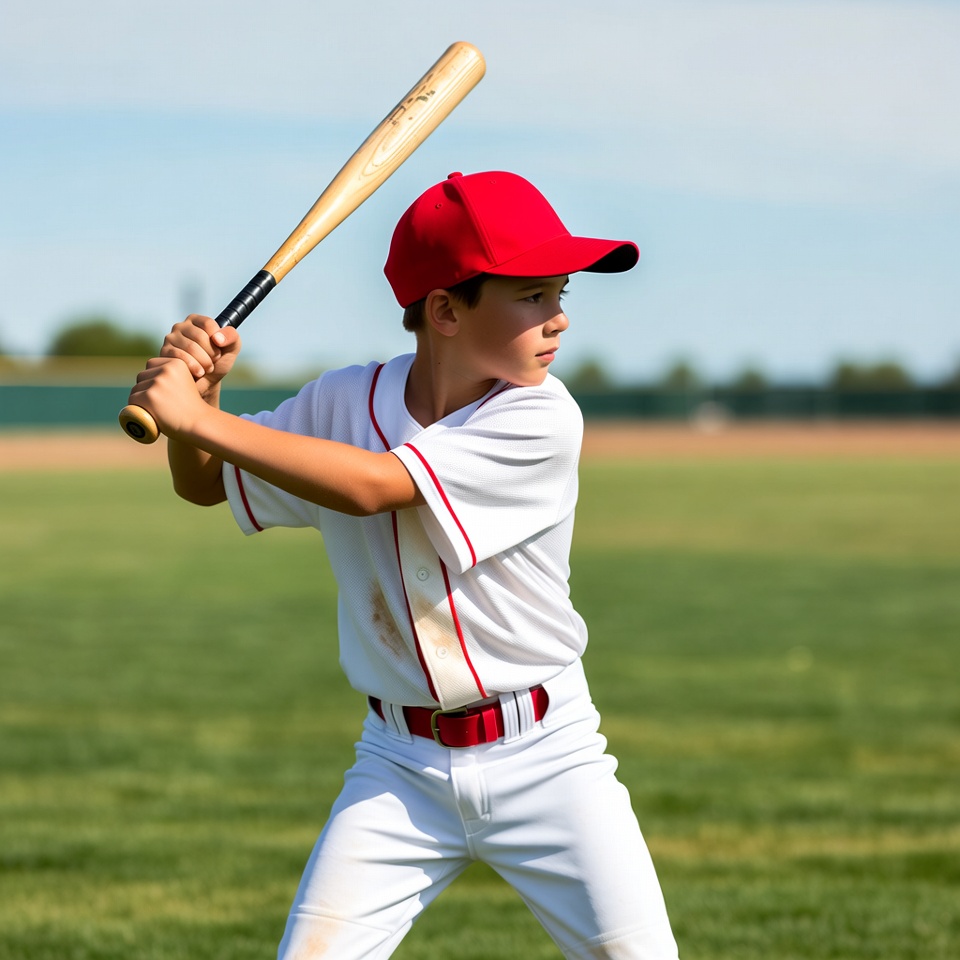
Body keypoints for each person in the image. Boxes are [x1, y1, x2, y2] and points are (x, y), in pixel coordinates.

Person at [128, 170, 680, 960]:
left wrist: (196, 417)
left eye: (560, 293)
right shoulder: (342, 401)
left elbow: (372, 486)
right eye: (532, 296)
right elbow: (205, 485)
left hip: (547, 755)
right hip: (398, 765)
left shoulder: (543, 415)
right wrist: (203, 408)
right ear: (446, 311)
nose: (559, 317)